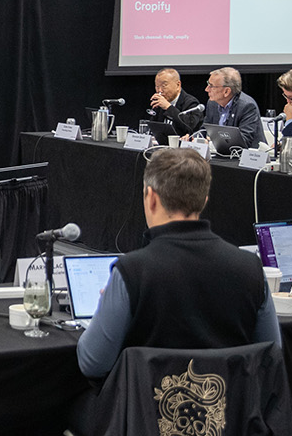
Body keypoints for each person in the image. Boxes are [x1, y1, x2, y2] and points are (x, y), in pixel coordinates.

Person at [75, 148, 279, 383]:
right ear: (203, 200)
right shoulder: (251, 268)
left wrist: (105, 308)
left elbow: (92, 363)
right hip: (229, 414)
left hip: (146, 414)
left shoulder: (131, 271)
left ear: (151, 197)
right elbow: (271, 356)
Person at [201, 67, 263, 149]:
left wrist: (212, 142)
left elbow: (244, 141)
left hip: (248, 157)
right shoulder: (212, 103)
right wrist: (196, 138)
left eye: (211, 86)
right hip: (221, 155)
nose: (206, 89)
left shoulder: (247, 106)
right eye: (208, 84)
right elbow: (205, 130)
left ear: (226, 91)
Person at [145, 67, 203, 136]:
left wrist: (168, 107)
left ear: (178, 85)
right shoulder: (159, 103)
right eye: (157, 86)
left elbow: (189, 127)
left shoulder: (191, 103)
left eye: (164, 85)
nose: (159, 90)